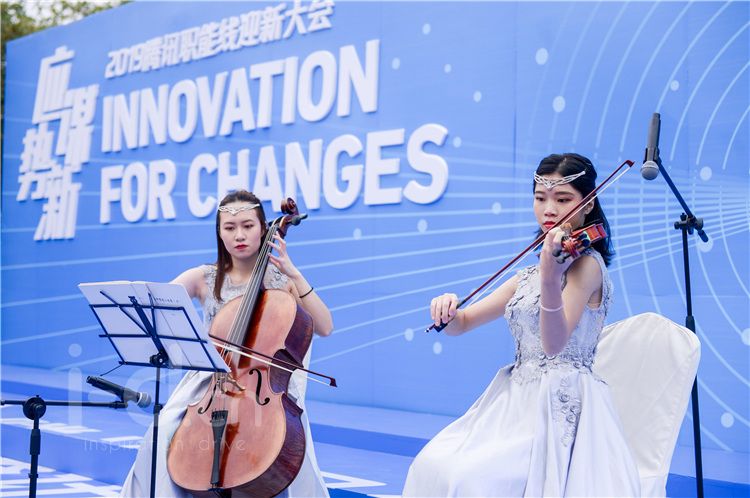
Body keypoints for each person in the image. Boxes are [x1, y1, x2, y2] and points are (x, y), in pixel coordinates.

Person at [402, 153, 641, 496]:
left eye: (563, 200)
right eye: (540, 198)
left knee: (470, 479)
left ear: (588, 204)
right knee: (432, 463)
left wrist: (550, 277)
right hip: (514, 402)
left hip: (559, 405)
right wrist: (447, 311)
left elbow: (553, 344)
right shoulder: (527, 275)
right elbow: (464, 323)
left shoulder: (587, 267)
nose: (549, 209)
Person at [121, 190, 333, 498]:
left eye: (248, 225)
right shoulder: (204, 277)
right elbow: (155, 305)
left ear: (263, 228)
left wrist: (293, 272)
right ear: (219, 233)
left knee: (290, 456)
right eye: (230, 227)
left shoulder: (283, 281)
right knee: (162, 430)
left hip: (262, 390)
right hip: (209, 383)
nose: (239, 235)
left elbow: (325, 326)